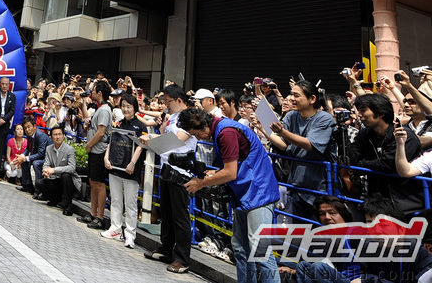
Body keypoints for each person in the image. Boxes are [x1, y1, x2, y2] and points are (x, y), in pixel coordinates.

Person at [179, 106, 280, 283]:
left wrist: (201, 183)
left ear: (203, 126)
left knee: (260, 250)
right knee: (240, 248)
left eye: (195, 134)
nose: (197, 138)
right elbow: (236, 163)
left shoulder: (226, 132)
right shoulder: (222, 128)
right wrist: (216, 173)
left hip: (258, 192)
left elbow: (231, 173)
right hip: (245, 193)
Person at [142, 84, 197, 275]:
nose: (165, 105)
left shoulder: (190, 117)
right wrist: (153, 138)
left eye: (168, 101)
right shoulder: (171, 117)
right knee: (166, 212)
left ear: (179, 100)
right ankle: (166, 249)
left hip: (181, 171)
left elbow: (177, 140)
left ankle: (182, 259)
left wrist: (152, 140)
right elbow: (166, 139)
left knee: (180, 216)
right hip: (166, 168)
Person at [263, 80, 335, 223]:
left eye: (296, 95)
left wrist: (282, 132)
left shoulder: (324, 118)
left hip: (319, 189)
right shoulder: (291, 116)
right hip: (296, 186)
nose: (291, 99)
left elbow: (310, 145)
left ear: (312, 99)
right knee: (300, 232)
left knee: (320, 233)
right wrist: (262, 127)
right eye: (290, 95)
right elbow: (284, 145)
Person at [348, 93, 424, 216]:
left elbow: (390, 164)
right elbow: (352, 156)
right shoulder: (364, 134)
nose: (359, 115)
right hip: (377, 198)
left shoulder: (404, 135)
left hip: (405, 201)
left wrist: (362, 164)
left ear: (381, 112)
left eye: (363, 110)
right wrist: (366, 164)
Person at [103, 92, 147, 248]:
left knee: (131, 205)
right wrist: (106, 158)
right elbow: (111, 142)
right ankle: (115, 228)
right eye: (123, 106)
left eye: (129, 106)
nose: (126, 109)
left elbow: (141, 146)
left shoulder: (141, 126)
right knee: (115, 200)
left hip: (130, 171)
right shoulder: (118, 124)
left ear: (134, 108)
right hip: (115, 168)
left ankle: (130, 235)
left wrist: (133, 163)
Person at [80, 80, 112, 231]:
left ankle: (100, 217)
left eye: (93, 90)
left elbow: (101, 132)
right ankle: (92, 213)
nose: (90, 92)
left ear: (99, 93)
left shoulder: (105, 110)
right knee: (93, 182)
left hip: (99, 151)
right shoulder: (100, 109)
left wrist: (89, 144)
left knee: (99, 184)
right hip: (94, 151)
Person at [38, 126, 81, 215]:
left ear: (63, 136)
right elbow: (46, 164)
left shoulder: (69, 149)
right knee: (39, 183)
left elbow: (72, 168)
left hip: (70, 182)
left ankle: (68, 206)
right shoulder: (49, 149)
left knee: (66, 175)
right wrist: (45, 172)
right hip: (56, 179)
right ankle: (55, 200)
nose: (58, 137)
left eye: (59, 134)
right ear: (51, 137)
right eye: (55, 135)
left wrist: (54, 170)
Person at [14, 117, 51, 197]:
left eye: (29, 127)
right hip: (40, 156)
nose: (27, 130)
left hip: (47, 159)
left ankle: (39, 190)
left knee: (36, 163)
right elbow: (28, 148)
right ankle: (27, 186)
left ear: (34, 126)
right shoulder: (29, 135)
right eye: (25, 128)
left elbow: (41, 154)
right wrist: (22, 156)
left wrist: (25, 158)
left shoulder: (40, 136)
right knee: (23, 161)